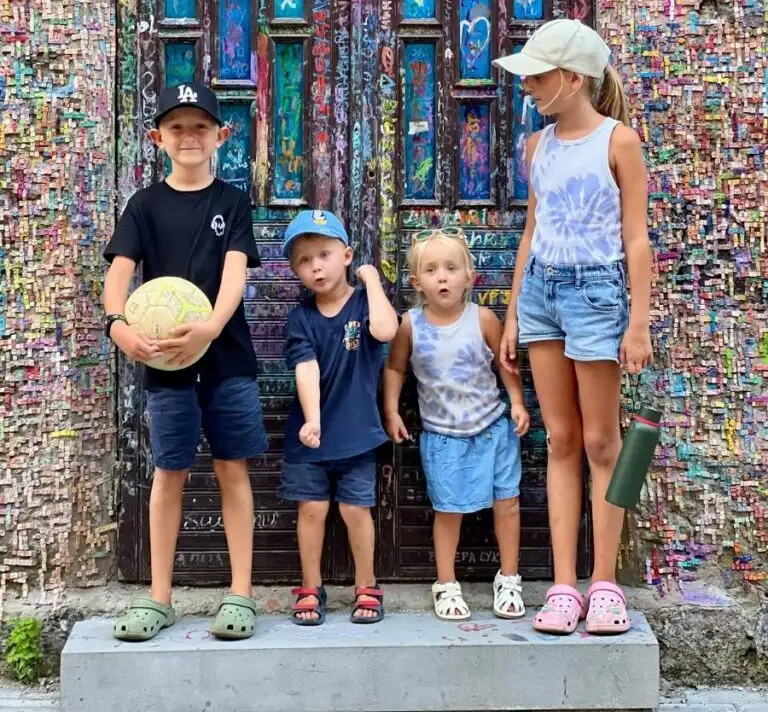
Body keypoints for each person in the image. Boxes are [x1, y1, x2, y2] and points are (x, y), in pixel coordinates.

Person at [494, 18, 653, 635]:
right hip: (543, 296)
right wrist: (512, 313)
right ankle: (563, 586)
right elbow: (532, 234)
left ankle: (604, 582)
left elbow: (637, 239)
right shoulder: (537, 147)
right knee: (560, 440)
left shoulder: (620, 142)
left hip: (597, 293)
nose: (528, 84)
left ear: (574, 78)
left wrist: (637, 321)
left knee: (601, 441)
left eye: (538, 74)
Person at [103, 83, 266, 642]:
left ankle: (240, 592)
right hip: (165, 363)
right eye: (178, 127)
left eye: (201, 126)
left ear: (222, 135)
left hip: (228, 360)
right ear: (158, 138)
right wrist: (118, 326)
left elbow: (236, 273)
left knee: (232, 469)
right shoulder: (143, 206)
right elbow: (119, 277)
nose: (190, 136)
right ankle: (159, 597)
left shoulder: (233, 201)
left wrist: (214, 326)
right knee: (168, 473)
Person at [383, 228, 530, 622]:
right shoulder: (409, 325)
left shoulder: (483, 319)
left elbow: (504, 364)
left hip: (493, 430)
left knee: (508, 503)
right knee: (448, 510)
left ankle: (510, 576)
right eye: (431, 270)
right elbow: (395, 368)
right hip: (444, 437)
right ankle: (446, 583)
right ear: (416, 282)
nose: (442, 277)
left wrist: (517, 401)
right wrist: (392, 410)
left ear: (470, 276)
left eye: (451, 268)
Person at [279, 210, 399, 626]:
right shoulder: (301, 318)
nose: (316, 266)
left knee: (354, 510)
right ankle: (311, 585)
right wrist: (311, 420)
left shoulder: (366, 303)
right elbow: (305, 367)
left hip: (357, 434)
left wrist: (372, 281)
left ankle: (366, 585)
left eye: (324, 254)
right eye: (304, 260)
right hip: (309, 435)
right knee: (311, 508)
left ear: (346, 255)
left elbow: (386, 332)